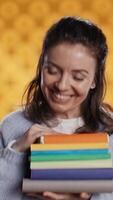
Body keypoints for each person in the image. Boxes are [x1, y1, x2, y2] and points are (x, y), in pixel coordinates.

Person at [0, 16, 113, 200]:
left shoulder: (110, 134)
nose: (61, 85)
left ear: (94, 80)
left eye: (78, 77)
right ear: (41, 67)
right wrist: (17, 150)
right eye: (52, 71)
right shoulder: (11, 127)